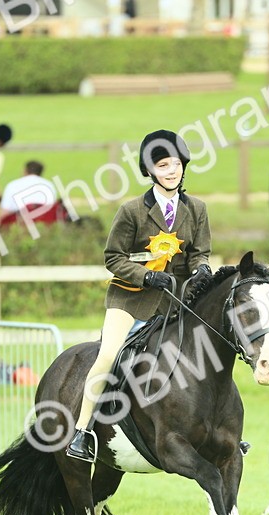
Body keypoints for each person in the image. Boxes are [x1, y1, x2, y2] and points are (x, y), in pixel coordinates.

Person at [66, 130, 212, 462]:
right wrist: (146, 276)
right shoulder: (131, 211)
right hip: (131, 299)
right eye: (163, 165)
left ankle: (217, 429)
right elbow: (113, 258)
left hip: (176, 301)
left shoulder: (198, 209)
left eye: (176, 164)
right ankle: (82, 430)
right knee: (108, 356)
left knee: (209, 349)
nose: (172, 171)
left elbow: (200, 253)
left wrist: (202, 268)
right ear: (150, 171)